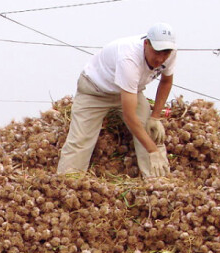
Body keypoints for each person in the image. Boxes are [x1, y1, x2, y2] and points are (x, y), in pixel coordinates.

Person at [56, 22, 177, 179]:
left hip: (130, 91)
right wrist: (152, 150)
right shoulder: (129, 59)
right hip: (95, 91)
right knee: (80, 141)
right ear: (146, 43)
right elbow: (129, 116)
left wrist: (155, 117)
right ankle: (68, 185)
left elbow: (166, 81)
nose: (160, 58)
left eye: (165, 53)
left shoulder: (170, 53)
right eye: (157, 52)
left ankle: (159, 185)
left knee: (151, 131)